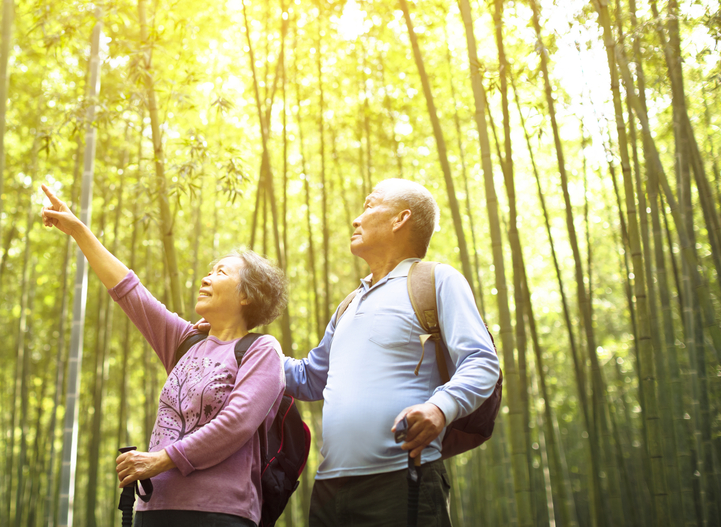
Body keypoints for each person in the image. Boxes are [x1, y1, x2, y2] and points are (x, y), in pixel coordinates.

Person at [40, 183, 287, 527]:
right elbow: (129, 290)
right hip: (154, 509)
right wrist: (79, 231)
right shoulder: (185, 342)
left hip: (219, 512)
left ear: (247, 295)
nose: (205, 277)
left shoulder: (261, 351)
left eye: (220, 273)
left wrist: (160, 460)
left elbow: (237, 423)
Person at [284, 178, 500, 527]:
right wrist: (239, 346)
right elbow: (309, 379)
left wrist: (439, 408)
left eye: (369, 205)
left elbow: (481, 360)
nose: (356, 219)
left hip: (402, 478)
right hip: (328, 489)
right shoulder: (348, 305)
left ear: (400, 219)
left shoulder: (436, 280)